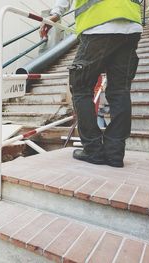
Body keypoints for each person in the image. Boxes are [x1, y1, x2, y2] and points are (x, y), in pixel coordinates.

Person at [41, 0, 142, 167]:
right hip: (130, 25)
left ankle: (93, 150)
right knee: (120, 91)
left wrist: (56, 13)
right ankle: (115, 153)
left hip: (99, 24)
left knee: (80, 87)